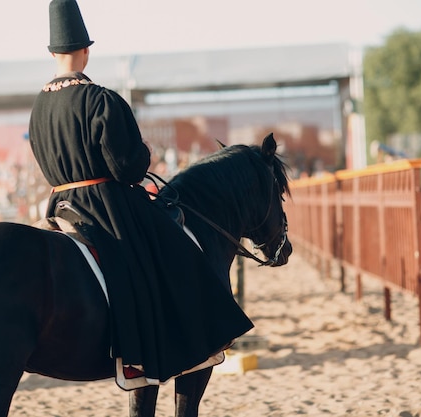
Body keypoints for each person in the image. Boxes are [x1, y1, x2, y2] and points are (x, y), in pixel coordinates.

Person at [29, 0, 253, 390]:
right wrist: (143, 153)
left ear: (52, 53)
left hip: (62, 206)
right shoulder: (101, 99)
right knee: (180, 251)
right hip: (107, 205)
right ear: (86, 50)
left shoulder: (38, 108)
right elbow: (127, 168)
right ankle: (178, 346)